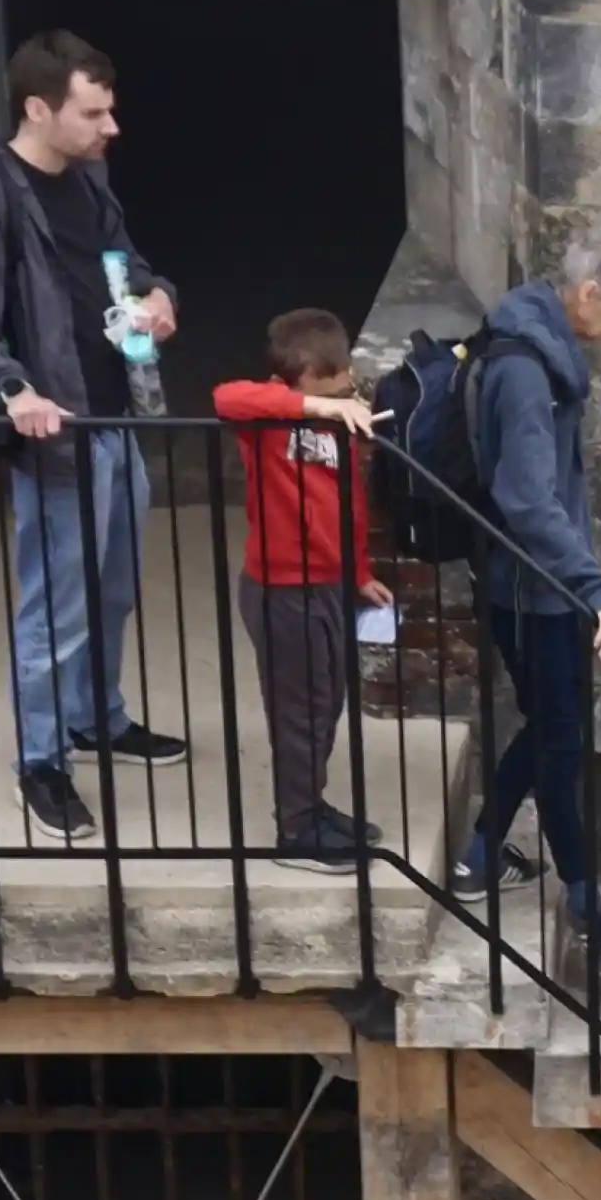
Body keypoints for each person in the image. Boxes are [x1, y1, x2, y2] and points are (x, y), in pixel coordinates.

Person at [0, 30, 184, 841]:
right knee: (55, 607)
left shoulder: (89, 180)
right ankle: (42, 762)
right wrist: (14, 392)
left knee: (112, 589)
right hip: (54, 434)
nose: (111, 128)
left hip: (114, 419)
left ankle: (95, 718)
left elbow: (131, 266)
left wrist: (160, 297)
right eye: (93, 112)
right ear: (39, 108)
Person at [446, 236, 601, 980]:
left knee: (552, 732)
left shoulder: (528, 341)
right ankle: (589, 912)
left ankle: (479, 854)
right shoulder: (527, 372)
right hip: (537, 596)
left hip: (534, 587)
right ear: (588, 291)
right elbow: (528, 499)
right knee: (561, 746)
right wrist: (596, 590)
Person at [212, 311, 394, 871]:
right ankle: (296, 830)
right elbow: (225, 397)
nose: (343, 391)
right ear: (296, 380)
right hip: (282, 589)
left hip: (329, 583)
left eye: (344, 383)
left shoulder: (334, 420)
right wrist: (318, 409)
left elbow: (350, 503)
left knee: (325, 702)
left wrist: (359, 571)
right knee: (298, 711)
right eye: (328, 383)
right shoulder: (269, 412)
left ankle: (311, 807)